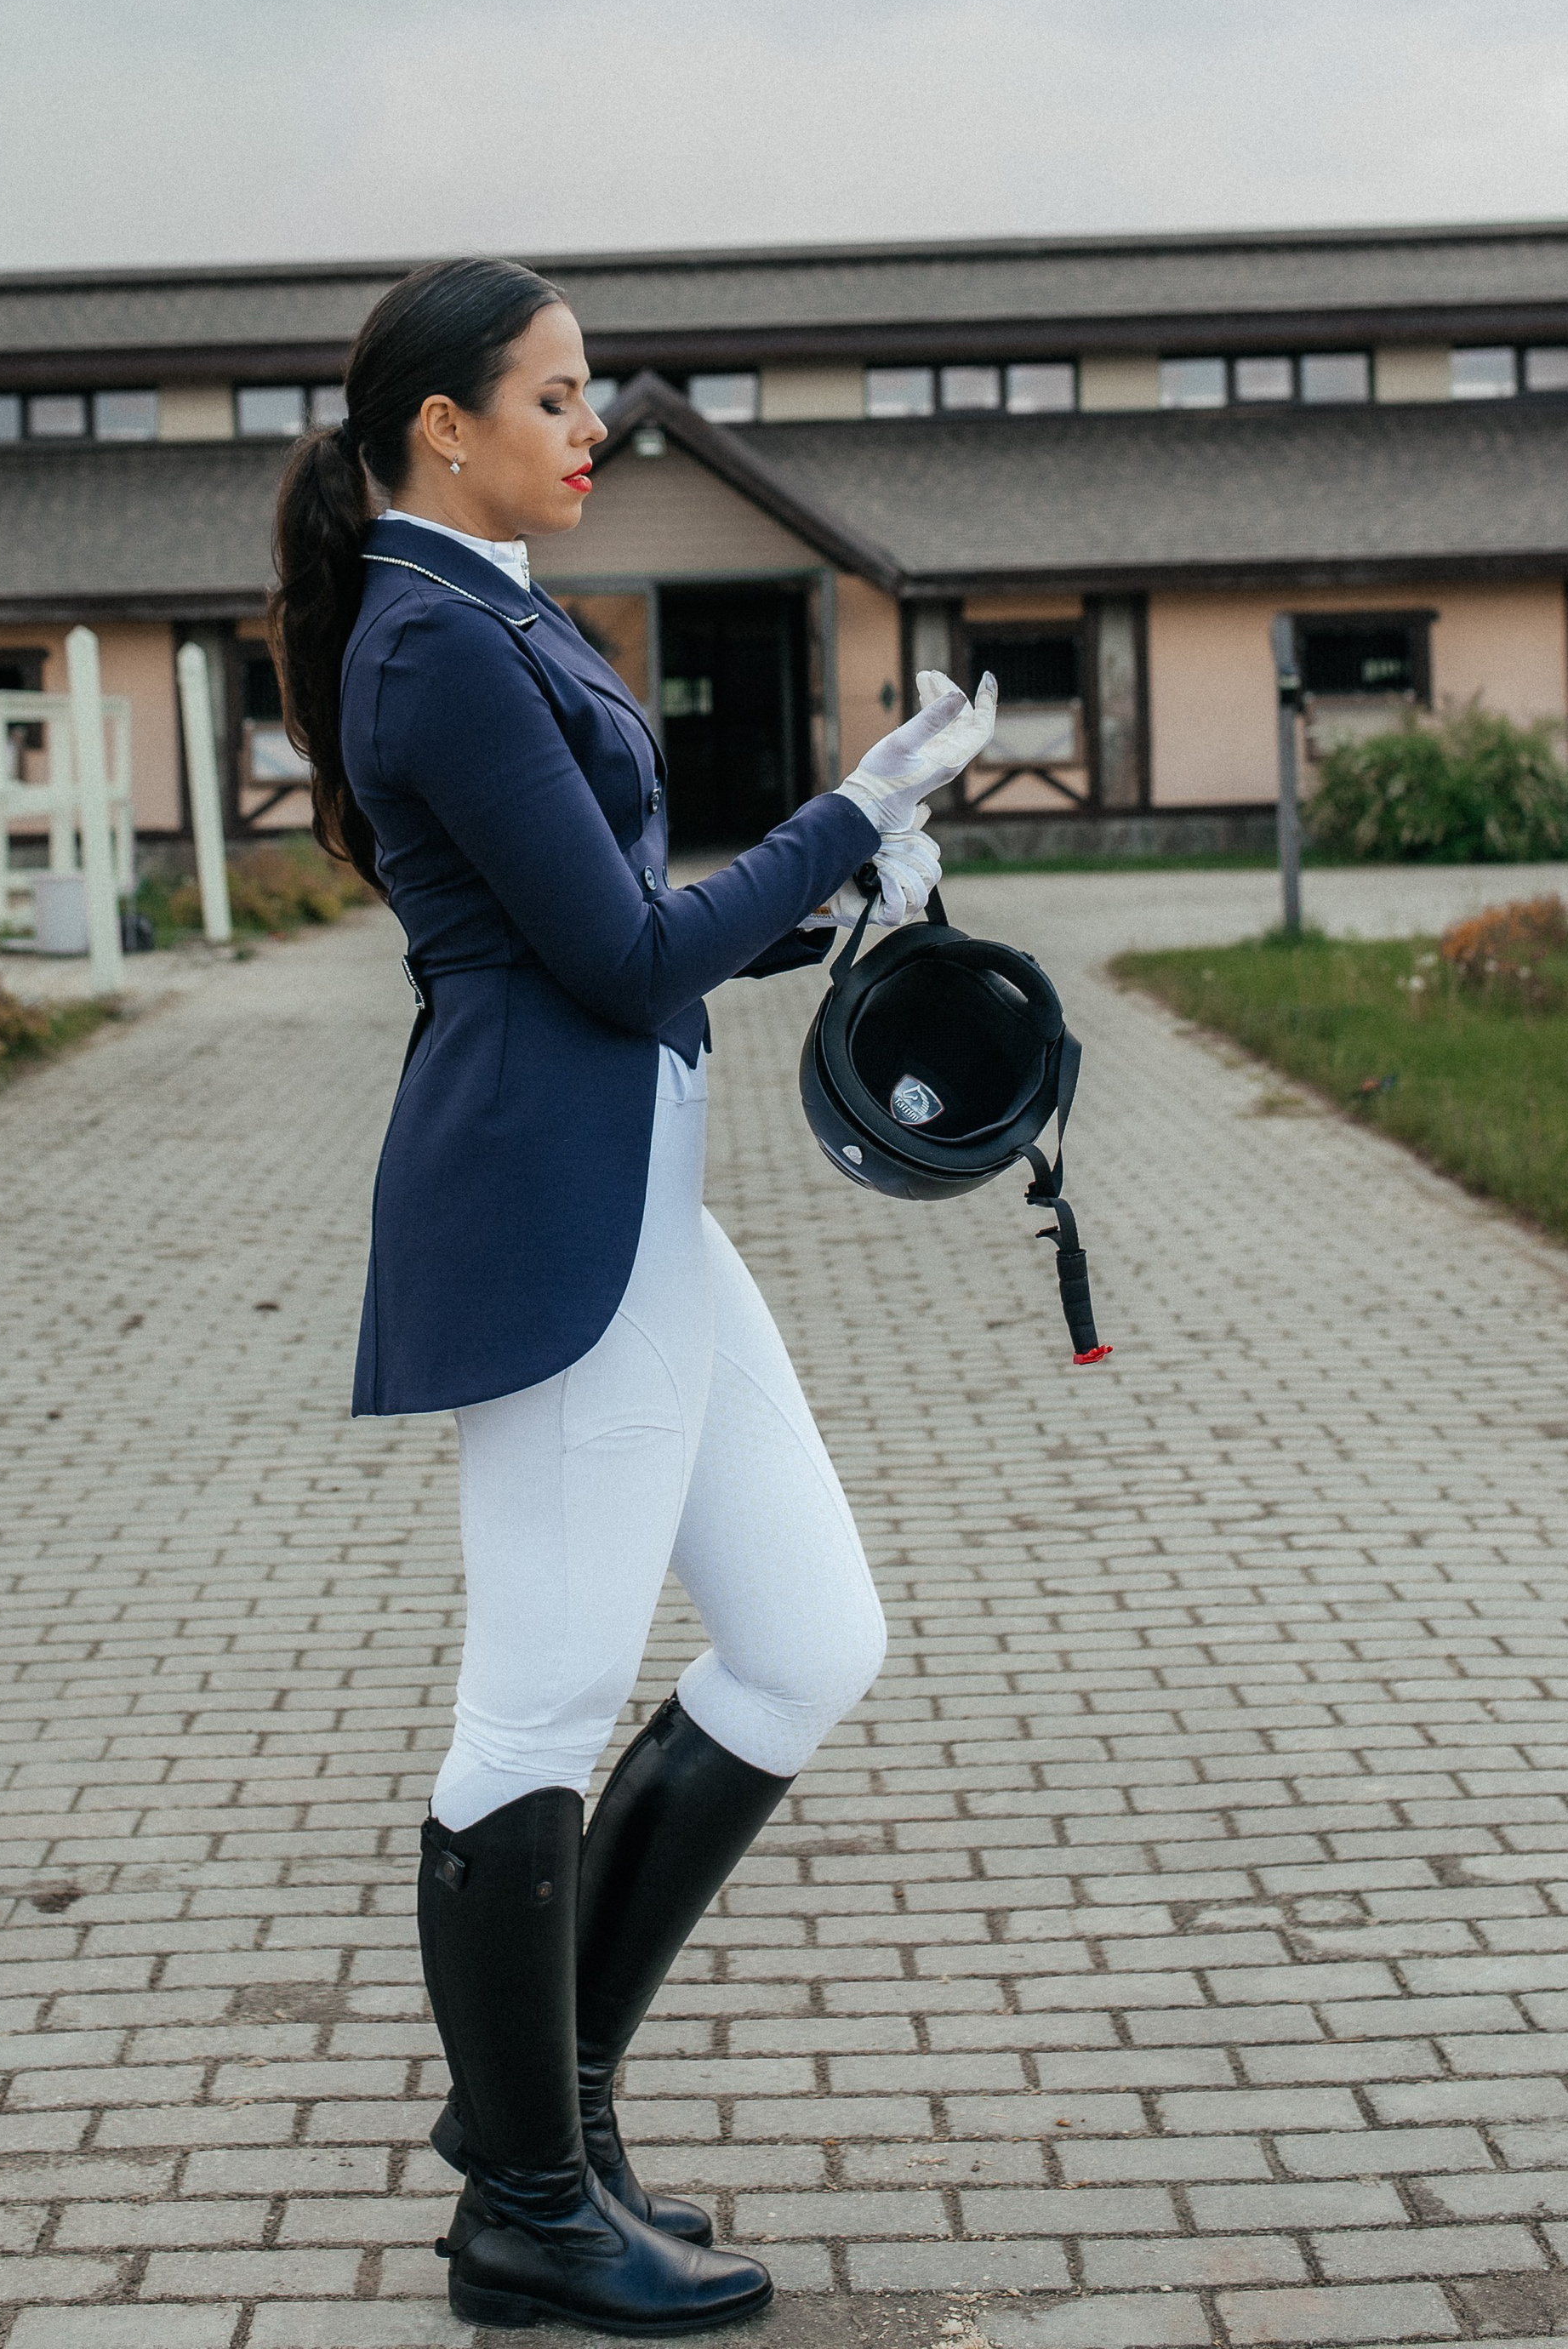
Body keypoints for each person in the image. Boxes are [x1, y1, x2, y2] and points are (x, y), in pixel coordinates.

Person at [269, 258, 995, 2338]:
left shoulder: (500, 613)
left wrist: (856, 875)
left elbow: (641, 934)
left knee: (805, 1638)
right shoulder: (434, 638)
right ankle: (521, 2203)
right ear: (444, 425)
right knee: (541, 1696)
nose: (592, 425)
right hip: (545, 1204)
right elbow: (598, 960)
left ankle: (556, 2116)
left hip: (644, 1195)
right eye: (558, 394)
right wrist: (835, 814)